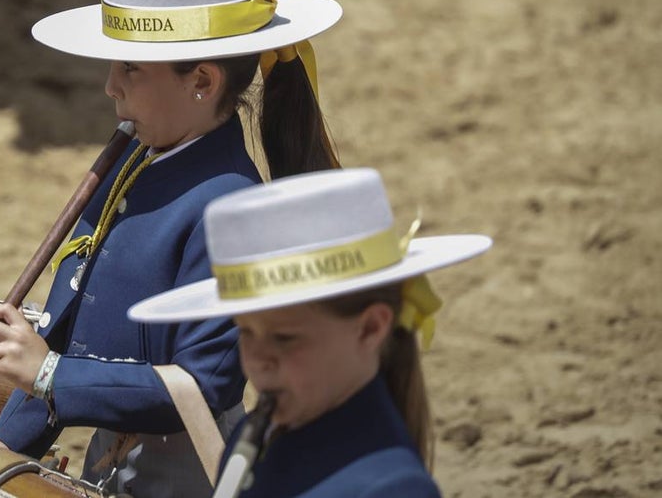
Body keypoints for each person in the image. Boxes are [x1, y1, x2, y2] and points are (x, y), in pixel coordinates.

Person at [0, 0, 344, 497]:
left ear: (202, 82)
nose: (110, 87)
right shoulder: (134, 160)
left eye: (130, 68)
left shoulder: (233, 206)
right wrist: (8, 444)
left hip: (191, 472)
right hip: (113, 457)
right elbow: (65, 327)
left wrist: (50, 376)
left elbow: (205, 382)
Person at [128, 167, 494, 497]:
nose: (257, 359)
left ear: (370, 329)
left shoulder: (392, 488)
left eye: (284, 338)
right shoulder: (253, 440)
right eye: (245, 332)